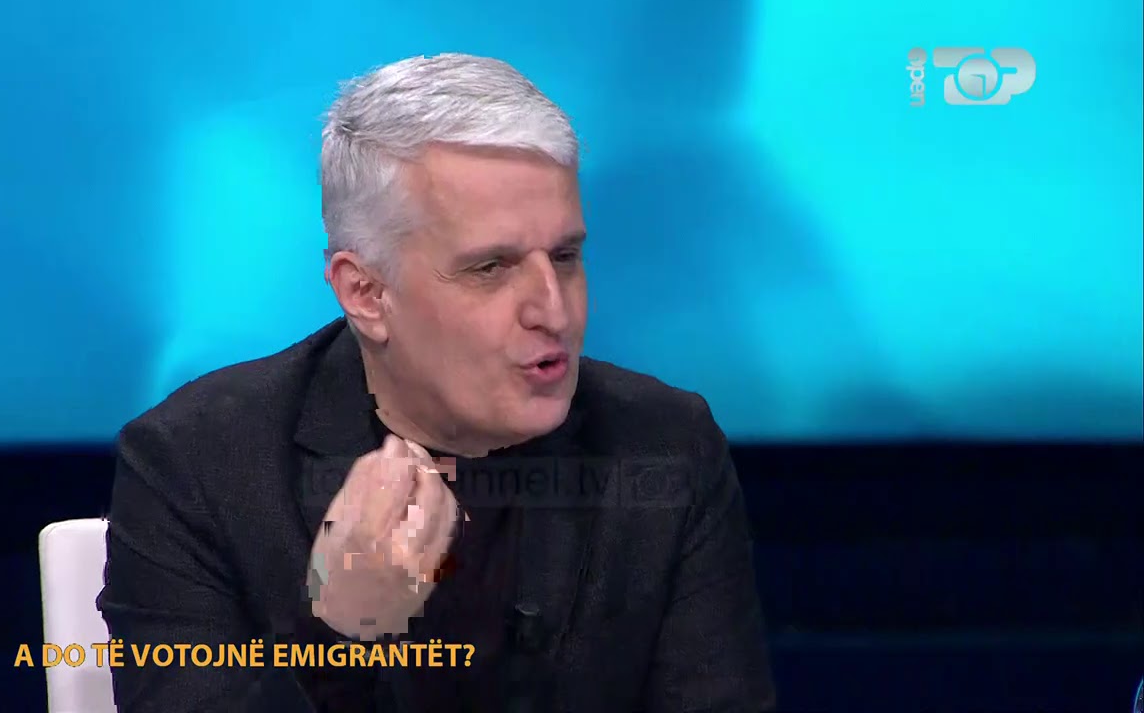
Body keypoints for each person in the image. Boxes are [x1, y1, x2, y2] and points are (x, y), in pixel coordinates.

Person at [98, 53, 777, 713]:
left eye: (565, 256)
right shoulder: (197, 467)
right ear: (365, 293)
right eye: (491, 268)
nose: (555, 311)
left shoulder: (665, 444)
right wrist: (340, 638)